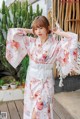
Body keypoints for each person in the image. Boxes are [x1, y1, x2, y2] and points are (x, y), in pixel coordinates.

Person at [6, 16, 79, 119]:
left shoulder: (56, 45)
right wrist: (30, 30)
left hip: (45, 82)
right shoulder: (31, 42)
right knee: (31, 108)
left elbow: (73, 38)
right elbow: (13, 33)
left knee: (40, 109)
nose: (38, 31)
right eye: (36, 28)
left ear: (47, 27)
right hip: (32, 80)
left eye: (41, 28)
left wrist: (58, 32)